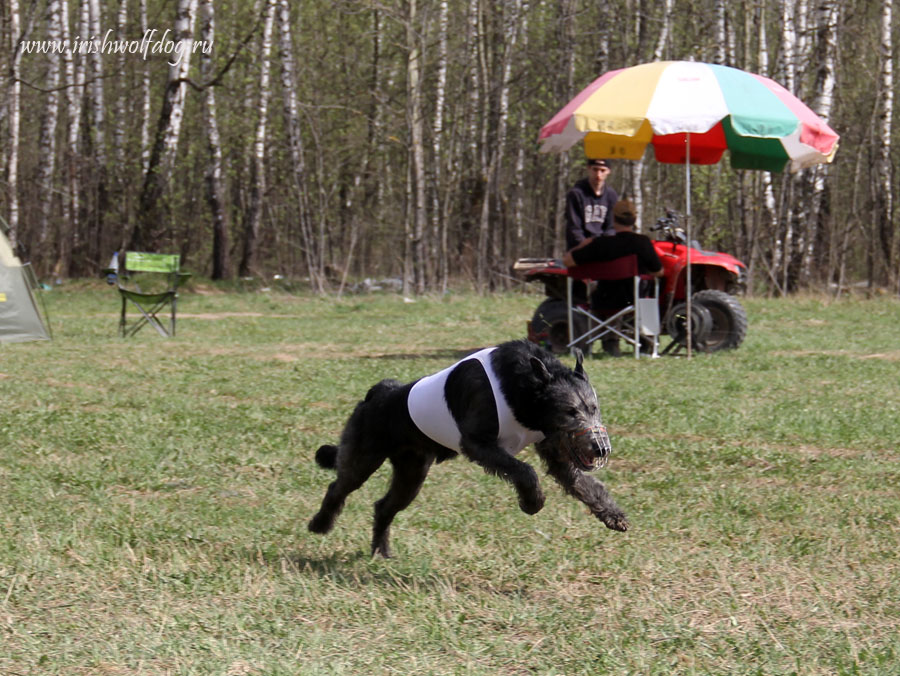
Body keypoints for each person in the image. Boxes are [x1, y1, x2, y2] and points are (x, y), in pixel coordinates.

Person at [563, 199, 663, 356]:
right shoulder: (642, 242)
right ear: (634, 220)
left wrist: (584, 244)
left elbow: (568, 261)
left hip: (602, 300)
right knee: (648, 288)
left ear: (613, 219)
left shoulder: (600, 244)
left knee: (600, 290)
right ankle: (646, 342)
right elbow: (658, 272)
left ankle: (608, 340)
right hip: (633, 301)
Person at [565, 158, 619, 250]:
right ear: (588, 168)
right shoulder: (576, 194)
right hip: (579, 248)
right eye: (595, 169)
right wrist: (586, 247)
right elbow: (574, 227)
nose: (598, 175)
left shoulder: (611, 195)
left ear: (608, 171)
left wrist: (605, 245)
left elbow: (611, 227)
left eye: (602, 170)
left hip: (603, 247)